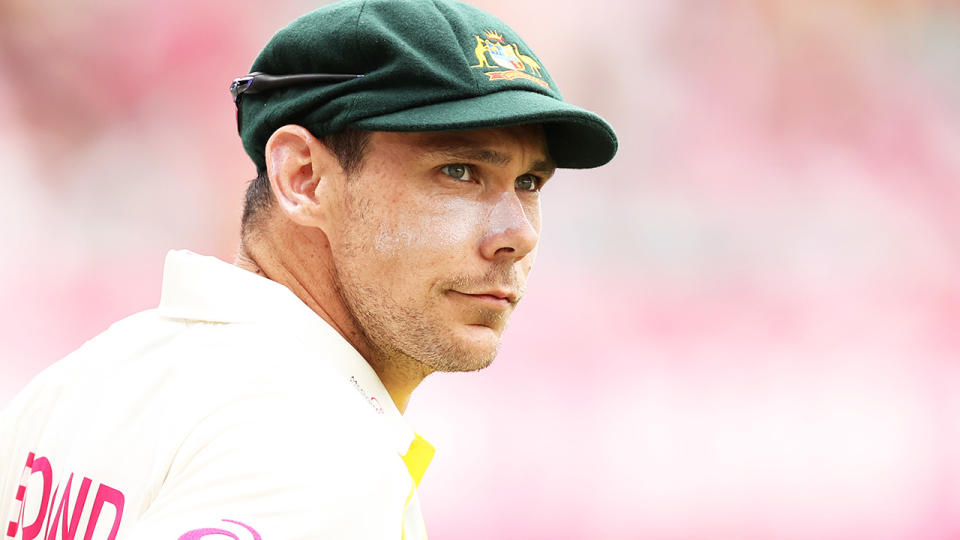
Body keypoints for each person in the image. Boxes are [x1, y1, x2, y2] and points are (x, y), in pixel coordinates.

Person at [0, 0, 617, 538]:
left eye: (530, 182)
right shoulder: (320, 452)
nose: (520, 234)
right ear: (303, 177)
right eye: (459, 171)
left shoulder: (81, 382)